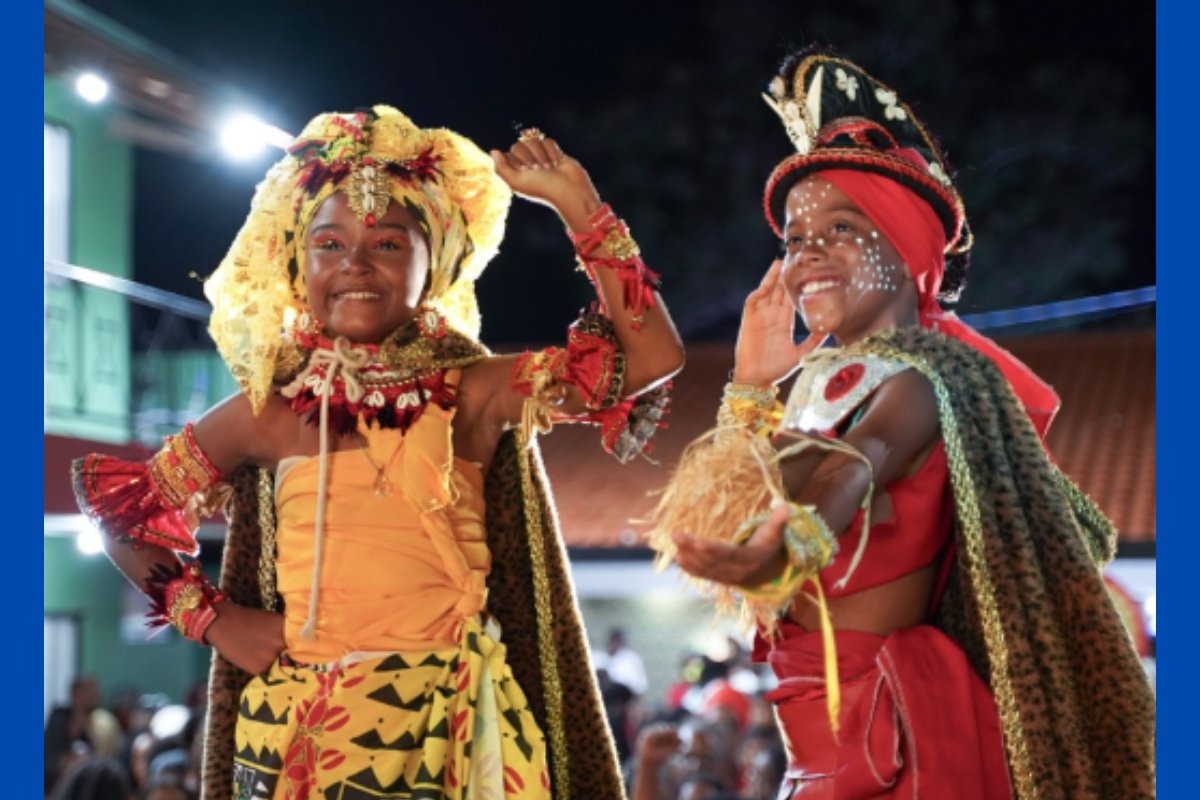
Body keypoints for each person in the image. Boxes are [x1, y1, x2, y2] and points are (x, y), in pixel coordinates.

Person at [74, 106, 684, 799]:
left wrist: (582, 210)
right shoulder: (264, 413)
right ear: (298, 266)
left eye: (389, 244)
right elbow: (119, 515)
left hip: (455, 730)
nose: (355, 265)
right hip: (302, 732)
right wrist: (216, 620)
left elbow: (652, 356)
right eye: (329, 244)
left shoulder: (474, 392)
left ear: (439, 261)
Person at [649, 50, 1154, 798]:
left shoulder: (921, 379)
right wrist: (752, 382)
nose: (808, 252)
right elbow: (734, 497)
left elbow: (858, 462)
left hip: (885, 744)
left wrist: (788, 549)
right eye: (794, 238)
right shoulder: (818, 387)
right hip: (815, 749)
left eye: (841, 227)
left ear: (906, 246)